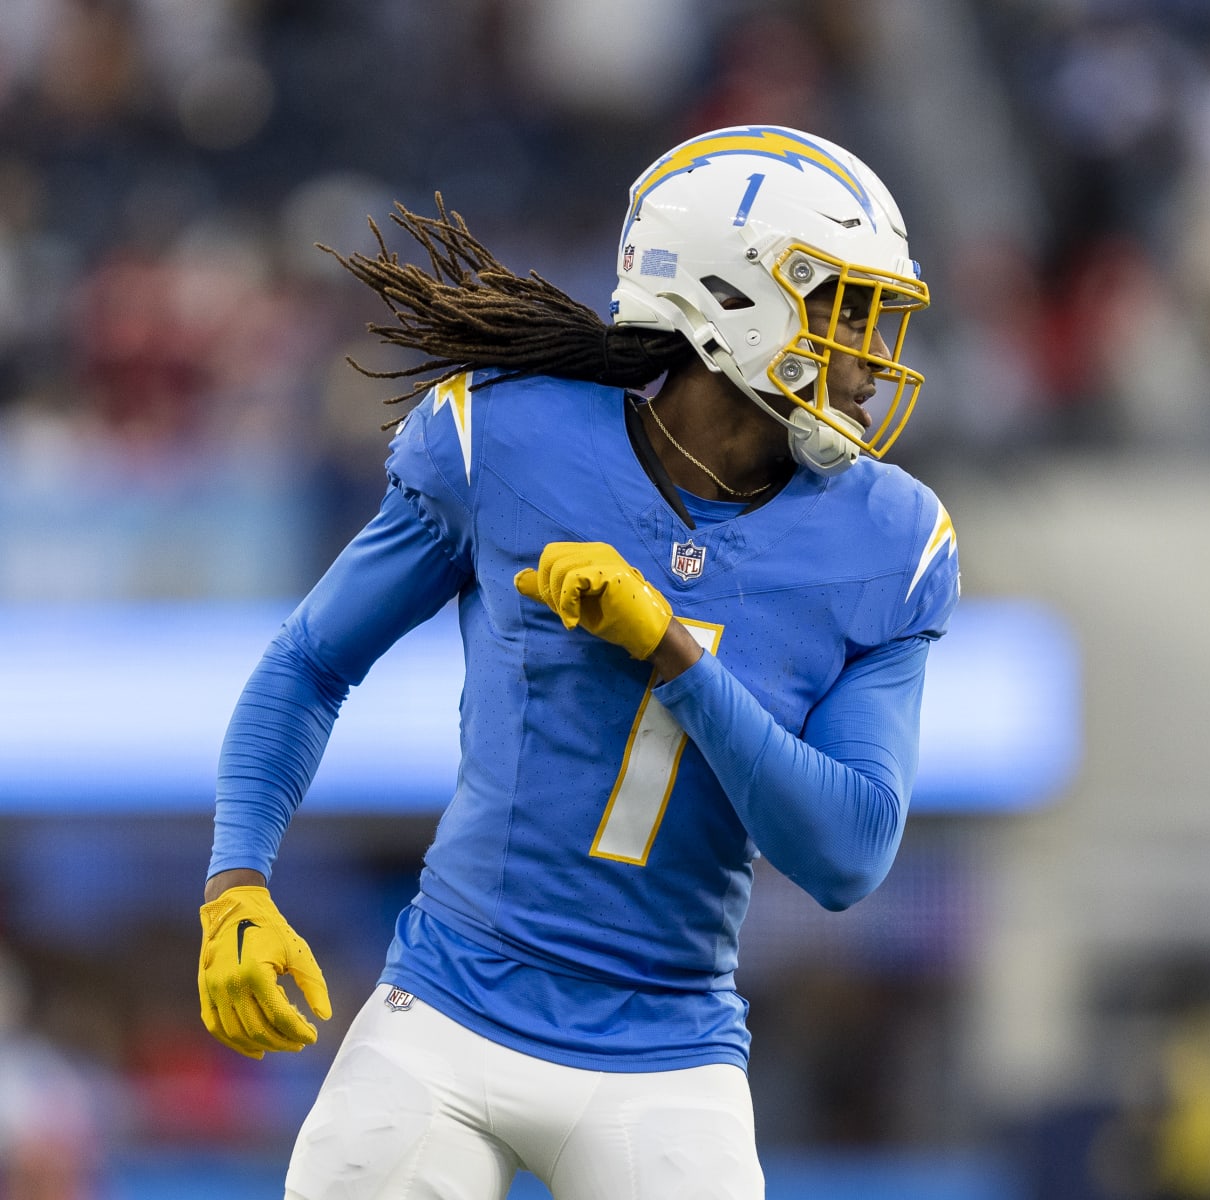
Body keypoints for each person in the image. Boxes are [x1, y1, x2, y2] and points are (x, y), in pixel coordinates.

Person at [195, 125, 958, 1199]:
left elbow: (847, 852)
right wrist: (236, 883)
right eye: (841, 302)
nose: (871, 348)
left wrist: (672, 653)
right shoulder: (510, 439)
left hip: (670, 1054)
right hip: (448, 1014)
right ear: (730, 297)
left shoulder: (890, 537)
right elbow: (311, 664)